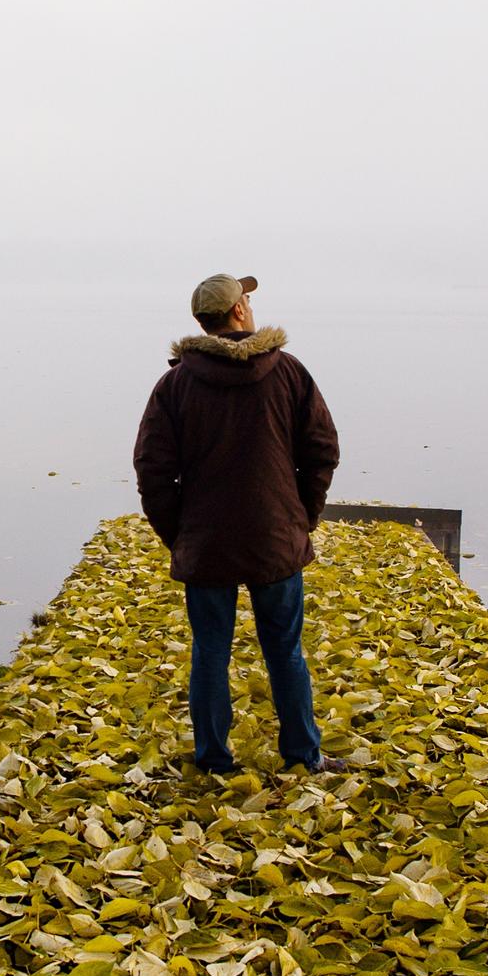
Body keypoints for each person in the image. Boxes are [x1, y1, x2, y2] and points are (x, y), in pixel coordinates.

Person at [133, 273, 345, 775]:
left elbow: (153, 470)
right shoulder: (289, 372)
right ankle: (303, 754)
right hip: (275, 537)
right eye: (245, 298)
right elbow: (322, 451)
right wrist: (302, 517)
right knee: (285, 651)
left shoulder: (175, 384)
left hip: (206, 542)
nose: (249, 304)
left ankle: (213, 759)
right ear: (239, 314)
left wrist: (177, 533)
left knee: (210, 651)